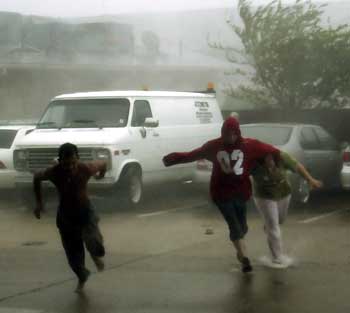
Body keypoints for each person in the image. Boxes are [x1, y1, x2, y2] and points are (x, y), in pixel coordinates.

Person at [163, 117, 280, 273]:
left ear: (238, 133)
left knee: (243, 227)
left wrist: (273, 163)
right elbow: (193, 154)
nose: (230, 137)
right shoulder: (214, 146)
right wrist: (173, 159)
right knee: (234, 224)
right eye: (227, 134)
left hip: (241, 192)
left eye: (233, 134)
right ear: (222, 133)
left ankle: (240, 251)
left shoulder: (250, 145)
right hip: (221, 192)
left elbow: (271, 151)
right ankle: (245, 258)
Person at [33, 142, 107, 292]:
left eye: (73, 163)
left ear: (77, 159)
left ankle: (94, 255)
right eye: (66, 164)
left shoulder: (85, 168)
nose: (70, 167)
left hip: (86, 211)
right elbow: (36, 178)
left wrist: (100, 176)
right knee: (74, 256)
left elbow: (103, 163)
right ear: (60, 161)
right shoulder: (54, 172)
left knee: (95, 244)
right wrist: (39, 203)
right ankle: (82, 277)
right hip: (66, 216)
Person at [251, 151, 323, 267]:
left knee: (280, 221)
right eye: (266, 160)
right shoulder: (253, 162)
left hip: (284, 193)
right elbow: (240, 174)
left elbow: (298, 167)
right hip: (264, 197)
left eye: (271, 159)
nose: (269, 163)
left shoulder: (282, 157)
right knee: (273, 227)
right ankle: (277, 258)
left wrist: (310, 180)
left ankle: (269, 226)